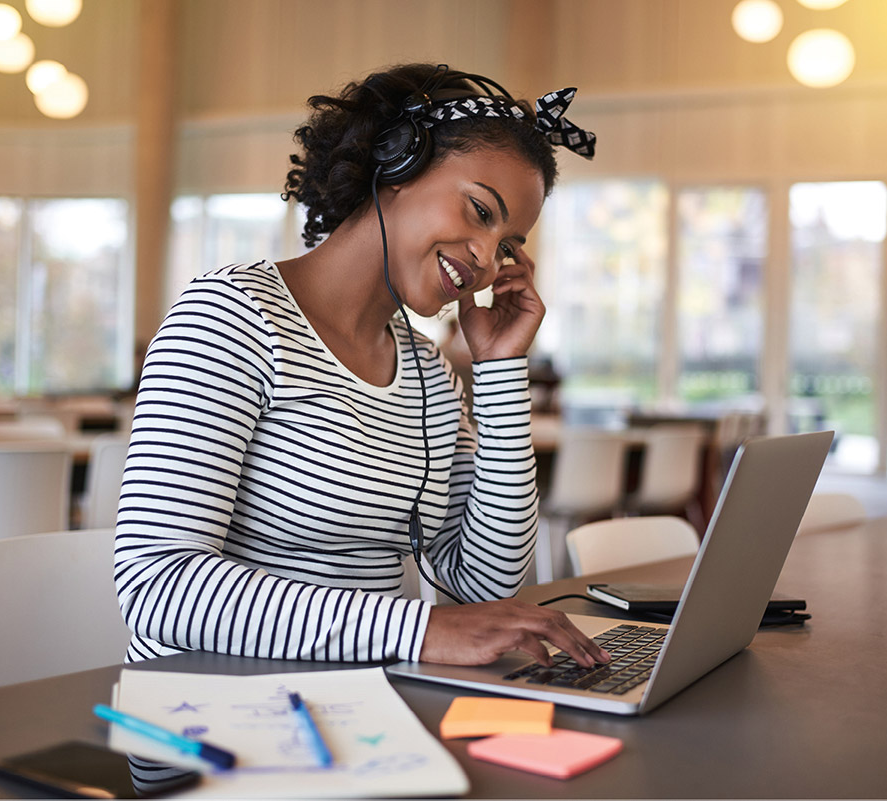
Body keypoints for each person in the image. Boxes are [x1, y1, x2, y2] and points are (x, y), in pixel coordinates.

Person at [113, 64, 609, 670]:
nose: (485, 259)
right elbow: (156, 587)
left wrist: (501, 373)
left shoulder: (426, 371)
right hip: (217, 712)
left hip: (366, 706)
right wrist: (419, 631)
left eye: (507, 246)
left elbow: (485, 591)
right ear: (396, 164)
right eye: (481, 212)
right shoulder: (230, 317)